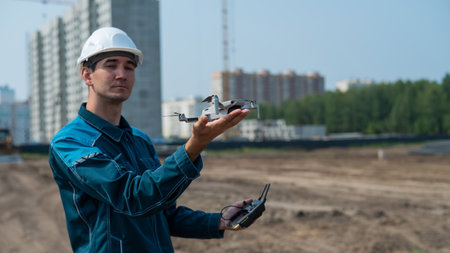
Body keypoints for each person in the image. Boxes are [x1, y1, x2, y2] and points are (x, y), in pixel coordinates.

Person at [49, 27, 254, 253]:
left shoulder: (140, 140)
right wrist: (194, 146)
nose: (122, 74)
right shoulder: (70, 143)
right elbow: (132, 197)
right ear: (87, 75)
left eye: (129, 67)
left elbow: (161, 211)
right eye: (111, 65)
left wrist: (219, 221)